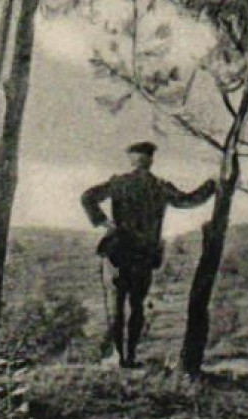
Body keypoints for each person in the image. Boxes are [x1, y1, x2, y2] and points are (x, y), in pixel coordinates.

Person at [81, 142, 215, 367]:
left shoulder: (119, 183)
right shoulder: (160, 186)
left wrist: (105, 223)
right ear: (151, 160)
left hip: (118, 252)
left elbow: (87, 197)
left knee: (116, 305)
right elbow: (188, 200)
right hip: (144, 254)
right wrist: (211, 185)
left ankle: (119, 355)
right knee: (137, 306)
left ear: (131, 160)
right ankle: (131, 356)